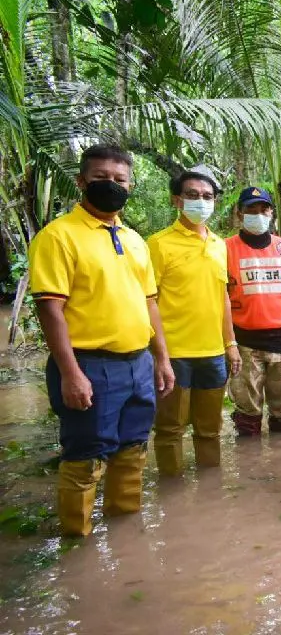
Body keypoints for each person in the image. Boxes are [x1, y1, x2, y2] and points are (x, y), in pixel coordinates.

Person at [28, 144, 176, 537]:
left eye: (119, 179)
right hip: (89, 363)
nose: (111, 185)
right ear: (81, 182)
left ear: (131, 184)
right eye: (100, 179)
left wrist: (161, 359)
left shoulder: (134, 239)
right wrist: (70, 373)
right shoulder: (58, 237)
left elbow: (150, 304)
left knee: (133, 449)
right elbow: (50, 309)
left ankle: (125, 533)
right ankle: (77, 542)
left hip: (138, 363)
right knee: (85, 456)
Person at [147, 166, 242, 477]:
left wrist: (231, 344)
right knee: (170, 429)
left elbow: (223, 297)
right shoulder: (158, 244)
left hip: (213, 353)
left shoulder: (219, 245)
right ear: (177, 200)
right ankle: (171, 491)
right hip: (174, 353)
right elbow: (148, 301)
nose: (201, 201)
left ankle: (209, 491)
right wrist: (158, 354)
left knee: (210, 429)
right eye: (192, 195)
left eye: (207, 196)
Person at [226, 187, 281, 436]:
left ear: (271, 212)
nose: (258, 215)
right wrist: (227, 341)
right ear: (240, 214)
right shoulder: (225, 248)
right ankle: (250, 468)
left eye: (263, 209)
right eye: (251, 210)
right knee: (246, 416)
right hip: (243, 343)